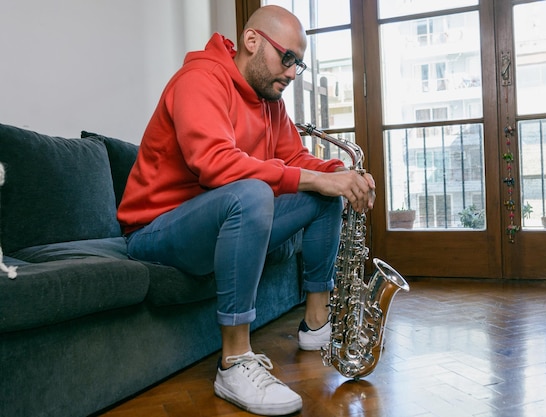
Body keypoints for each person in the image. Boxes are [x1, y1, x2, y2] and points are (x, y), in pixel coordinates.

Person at [117, 5, 375, 416]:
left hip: (215, 225)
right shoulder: (199, 80)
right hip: (155, 231)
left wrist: (340, 173)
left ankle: (316, 323)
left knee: (327, 191)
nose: (292, 72)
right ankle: (234, 362)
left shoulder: (269, 99)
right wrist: (316, 178)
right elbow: (215, 163)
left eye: (298, 64)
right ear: (252, 41)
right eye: (286, 57)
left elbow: (295, 158)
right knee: (253, 193)